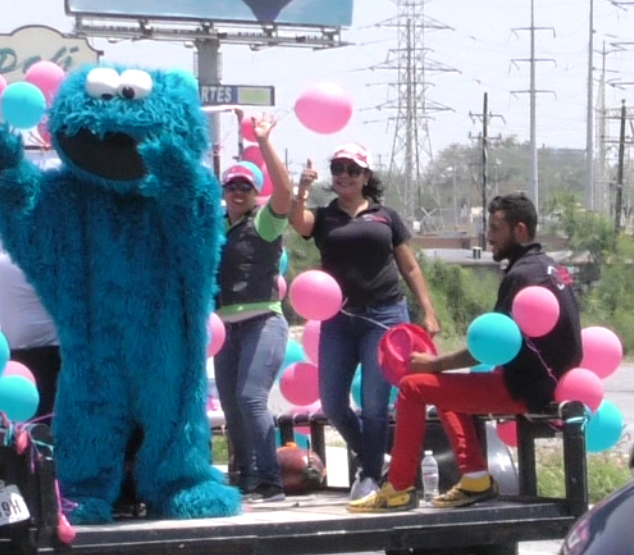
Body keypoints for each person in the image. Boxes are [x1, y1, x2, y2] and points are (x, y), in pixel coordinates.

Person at [350, 191, 581, 513]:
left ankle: (399, 488)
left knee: (413, 388)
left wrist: (433, 363)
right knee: (447, 388)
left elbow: (494, 346)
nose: (489, 237)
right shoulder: (550, 268)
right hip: (550, 381)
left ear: (521, 231)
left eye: (496, 228)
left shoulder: (521, 276)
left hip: (527, 388)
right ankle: (475, 479)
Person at [289, 143, 442, 500]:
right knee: (331, 402)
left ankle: (370, 475)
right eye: (338, 168)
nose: (344, 175)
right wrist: (302, 189)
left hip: (384, 316)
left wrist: (428, 310)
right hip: (339, 319)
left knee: (375, 404)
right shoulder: (324, 216)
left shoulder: (385, 216)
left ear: (366, 177)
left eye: (352, 170)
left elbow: (410, 266)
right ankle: (376, 455)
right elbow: (298, 223)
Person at [215, 110, 296, 503]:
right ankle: (245, 478)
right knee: (232, 409)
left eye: (246, 187)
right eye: (232, 186)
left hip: (263, 320)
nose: (238, 192)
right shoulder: (214, 225)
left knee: (250, 398)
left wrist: (263, 142)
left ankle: (270, 481)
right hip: (224, 329)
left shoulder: (265, 223)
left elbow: (285, 192)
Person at [0, 248, 61, 420]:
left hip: (17, 347)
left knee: (24, 419)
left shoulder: (7, 254)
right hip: (49, 348)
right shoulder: (46, 254)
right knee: (47, 418)